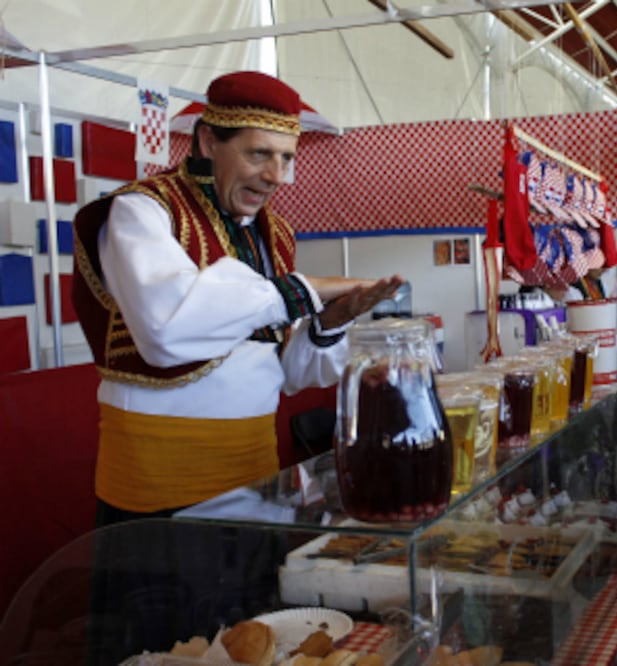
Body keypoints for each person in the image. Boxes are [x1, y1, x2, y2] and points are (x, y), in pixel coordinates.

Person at [72, 71, 404, 527]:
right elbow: (165, 331)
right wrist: (299, 290)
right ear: (208, 142)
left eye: (286, 158)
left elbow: (285, 373)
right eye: (259, 154)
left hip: (256, 474)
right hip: (160, 486)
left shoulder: (274, 234)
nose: (276, 177)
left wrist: (328, 323)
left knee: (254, 597)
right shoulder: (142, 211)